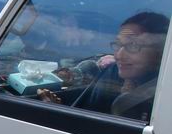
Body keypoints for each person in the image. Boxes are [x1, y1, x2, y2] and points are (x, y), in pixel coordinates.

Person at [39, 11, 169, 122]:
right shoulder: (113, 72)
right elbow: (90, 114)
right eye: (118, 44)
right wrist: (58, 109)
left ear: (160, 51)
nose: (119, 55)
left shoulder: (163, 98)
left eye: (133, 46)